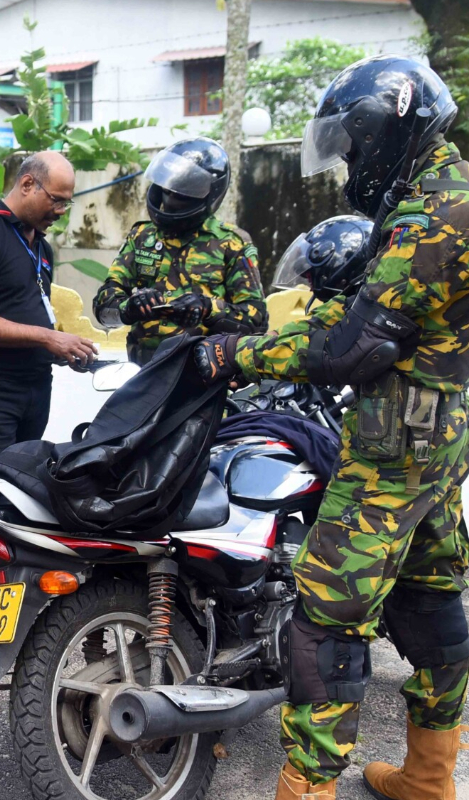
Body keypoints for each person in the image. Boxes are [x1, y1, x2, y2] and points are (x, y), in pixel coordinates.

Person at [193, 55, 469, 800]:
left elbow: (355, 346)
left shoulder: (435, 216)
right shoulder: (445, 195)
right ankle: (428, 775)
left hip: (394, 449)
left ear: (385, 125)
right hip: (438, 444)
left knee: (326, 619)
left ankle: (306, 789)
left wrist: (234, 352)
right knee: (435, 598)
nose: (350, 158)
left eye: (353, 143)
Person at [0, 151, 98, 671]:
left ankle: (1, 614)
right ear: (28, 185)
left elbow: (31, 311)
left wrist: (59, 349)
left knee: (17, 507)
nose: (60, 211)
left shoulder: (39, 246)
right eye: (56, 200)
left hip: (33, 386)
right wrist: (47, 336)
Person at [93, 137, 268, 365]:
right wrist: (131, 308)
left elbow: (255, 320)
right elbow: (104, 307)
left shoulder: (231, 243)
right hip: (143, 374)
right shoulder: (142, 237)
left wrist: (206, 308)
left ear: (210, 193)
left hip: (204, 375)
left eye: (184, 191)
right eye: (170, 188)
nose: (172, 197)